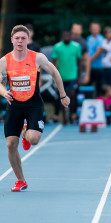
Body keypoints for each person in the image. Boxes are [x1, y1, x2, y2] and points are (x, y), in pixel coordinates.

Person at [0, 25, 70, 192]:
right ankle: (21, 180)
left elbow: (54, 73)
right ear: (12, 40)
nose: (20, 41)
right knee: (11, 144)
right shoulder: (4, 61)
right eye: (17, 38)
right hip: (14, 105)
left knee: (34, 140)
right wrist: (4, 92)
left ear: (28, 40)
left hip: (33, 104)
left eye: (23, 38)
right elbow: (0, 83)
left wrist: (63, 95)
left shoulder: (37, 58)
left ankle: (26, 132)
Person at [52, 30, 82, 124]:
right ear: (62, 36)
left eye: (68, 36)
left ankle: (72, 115)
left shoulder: (76, 46)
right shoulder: (57, 47)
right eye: (64, 36)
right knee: (61, 96)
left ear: (70, 36)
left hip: (72, 76)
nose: (66, 37)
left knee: (72, 95)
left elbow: (79, 62)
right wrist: (54, 76)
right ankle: (64, 117)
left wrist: (79, 77)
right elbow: (54, 63)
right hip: (61, 76)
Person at [86, 22, 105, 96]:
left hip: (98, 67)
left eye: (96, 28)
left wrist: (88, 60)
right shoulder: (88, 38)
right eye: (93, 28)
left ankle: (98, 102)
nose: (94, 29)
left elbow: (98, 52)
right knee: (87, 86)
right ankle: (87, 101)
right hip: (89, 68)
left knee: (98, 87)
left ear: (99, 29)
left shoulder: (100, 39)